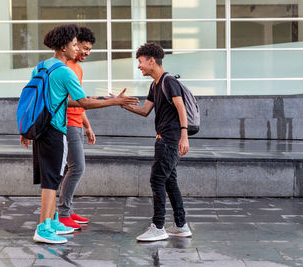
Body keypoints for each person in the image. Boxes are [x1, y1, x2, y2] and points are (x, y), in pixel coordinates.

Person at [20, 24, 139, 244]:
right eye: (74, 45)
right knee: (51, 180)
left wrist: (25, 129)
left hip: (40, 128)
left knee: (52, 176)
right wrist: (114, 101)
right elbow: (83, 102)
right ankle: (43, 228)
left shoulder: (41, 66)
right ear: (64, 46)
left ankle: (53, 219)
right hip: (55, 130)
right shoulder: (65, 71)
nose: (78, 49)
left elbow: (44, 100)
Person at [122, 42, 192, 241]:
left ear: (151, 60)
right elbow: (145, 111)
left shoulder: (169, 81)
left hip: (170, 140)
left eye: (141, 62)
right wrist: (121, 103)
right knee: (169, 182)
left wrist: (184, 136)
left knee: (157, 180)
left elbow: (181, 108)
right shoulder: (155, 84)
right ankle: (181, 225)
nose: (139, 66)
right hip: (163, 140)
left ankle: (158, 227)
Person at [57, 27, 96, 229]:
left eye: (89, 50)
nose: (86, 53)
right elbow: (73, 101)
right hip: (67, 124)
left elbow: (80, 101)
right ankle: (63, 213)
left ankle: (66, 210)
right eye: (84, 48)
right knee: (77, 167)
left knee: (69, 168)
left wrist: (87, 126)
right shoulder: (66, 67)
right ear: (74, 44)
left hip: (77, 123)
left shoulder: (78, 68)